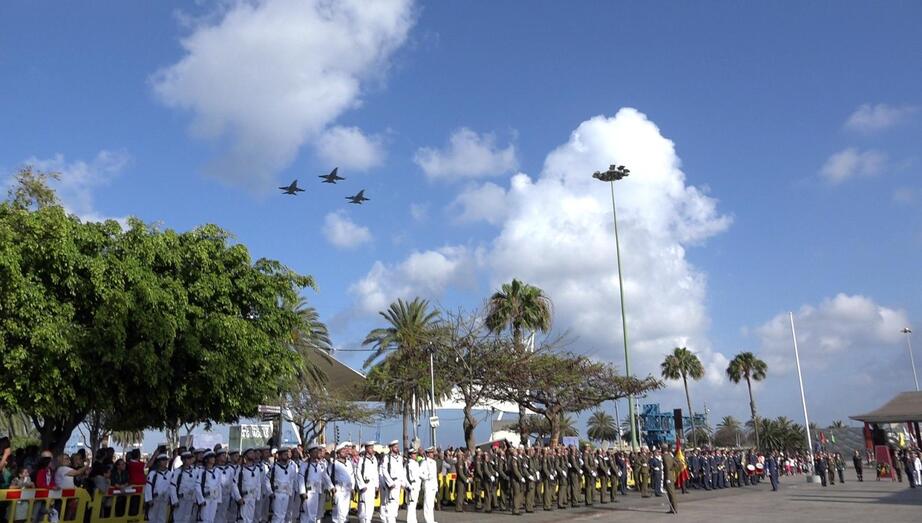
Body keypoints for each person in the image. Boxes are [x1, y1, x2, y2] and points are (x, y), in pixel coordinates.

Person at [328, 442, 355, 523]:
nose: (345, 452)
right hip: (339, 490)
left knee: (345, 513)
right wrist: (331, 487)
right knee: (339, 513)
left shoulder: (349, 463)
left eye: (345, 450)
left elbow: (352, 476)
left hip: (347, 491)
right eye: (342, 451)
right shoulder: (334, 464)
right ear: (338, 453)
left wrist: (352, 488)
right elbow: (327, 476)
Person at [378, 441, 404, 523]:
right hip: (390, 483)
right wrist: (390, 483)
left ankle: (391, 519)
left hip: (398, 483)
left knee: (396, 504)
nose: (397, 448)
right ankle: (388, 520)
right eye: (395, 446)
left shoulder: (400, 458)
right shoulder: (387, 458)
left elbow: (401, 471)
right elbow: (384, 471)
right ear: (391, 448)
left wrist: (402, 482)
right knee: (389, 504)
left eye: (397, 446)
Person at [144, 454, 173, 523]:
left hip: (165, 499)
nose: (165, 462)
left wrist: (171, 498)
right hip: (155, 499)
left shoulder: (170, 474)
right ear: (159, 462)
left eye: (166, 460)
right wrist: (149, 499)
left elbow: (171, 487)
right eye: (163, 460)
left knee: (162, 518)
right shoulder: (153, 473)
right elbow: (148, 487)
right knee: (152, 518)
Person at [356, 441, 379, 523]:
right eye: (370, 448)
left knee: (370, 507)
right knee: (363, 507)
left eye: (373, 447)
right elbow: (358, 473)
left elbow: (376, 473)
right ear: (366, 449)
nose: (372, 449)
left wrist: (376, 485)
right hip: (365, 485)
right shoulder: (362, 460)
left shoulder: (374, 459)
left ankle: (368, 520)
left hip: (372, 486)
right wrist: (362, 485)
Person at [420, 447, 440, 523]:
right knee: (427, 503)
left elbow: (434, 476)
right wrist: (426, 477)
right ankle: (427, 520)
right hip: (428, 484)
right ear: (428, 454)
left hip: (433, 485)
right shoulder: (424, 462)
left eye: (433, 452)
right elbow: (420, 473)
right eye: (431, 453)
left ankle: (431, 520)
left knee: (431, 504)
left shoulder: (434, 462)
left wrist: (436, 486)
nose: (432, 454)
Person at [404, 448, 421, 523]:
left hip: (417, 485)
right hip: (411, 485)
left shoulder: (416, 463)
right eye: (414, 454)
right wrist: (408, 486)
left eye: (416, 453)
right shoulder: (408, 464)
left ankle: (414, 520)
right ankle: (410, 521)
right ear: (410, 455)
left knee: (414, 505)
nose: (415, 455)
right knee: (410, 504)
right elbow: (405, 476)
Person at [661, 448, 678, 515]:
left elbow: (667, 468)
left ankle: (674, 509)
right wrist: (672, 470)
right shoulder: (670, 456)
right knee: (671, 493)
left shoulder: (665, 457)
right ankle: (673, 508)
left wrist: (667, 477)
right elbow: (676, 465)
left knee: (671, 493)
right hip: (671, 476)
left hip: (668, 477)